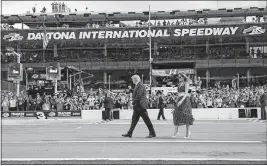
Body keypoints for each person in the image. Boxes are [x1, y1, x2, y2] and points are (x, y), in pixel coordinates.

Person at [172, 73, 194, 139]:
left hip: (185, 100)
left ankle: (187, 133)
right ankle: (176, 132)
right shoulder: (179, 84)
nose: (179, 78)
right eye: (178, 77)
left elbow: (186, 93)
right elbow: (178, 93)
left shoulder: (186, 83)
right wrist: (176, 99)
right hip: (179, 99)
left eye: (180, 77)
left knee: (186, 115)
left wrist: (181, 101)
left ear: (183, 77)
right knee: (176, 114)